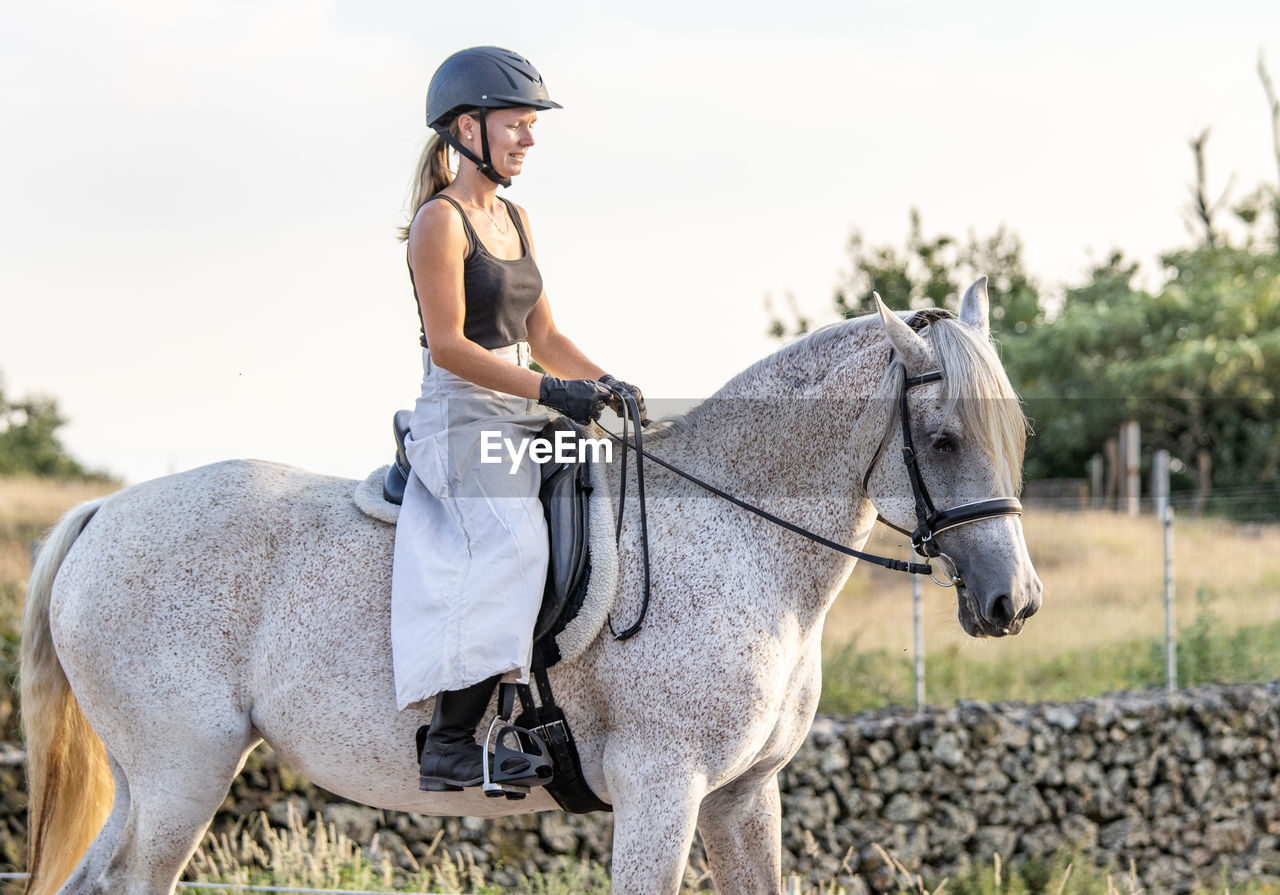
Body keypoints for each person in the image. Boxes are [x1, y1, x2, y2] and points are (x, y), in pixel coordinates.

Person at [390, 46, 645, 792]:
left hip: (519, 403)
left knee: (612, 487)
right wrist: (547, 393)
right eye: (518, 126)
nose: (529, 141)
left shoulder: (516, 219)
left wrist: (602, 381)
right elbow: (450, 348)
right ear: (467, 127)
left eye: (533, 128)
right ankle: (450, 737)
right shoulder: (440, 223)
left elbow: (545, 339)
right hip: (462, 416)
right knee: (515, 541)